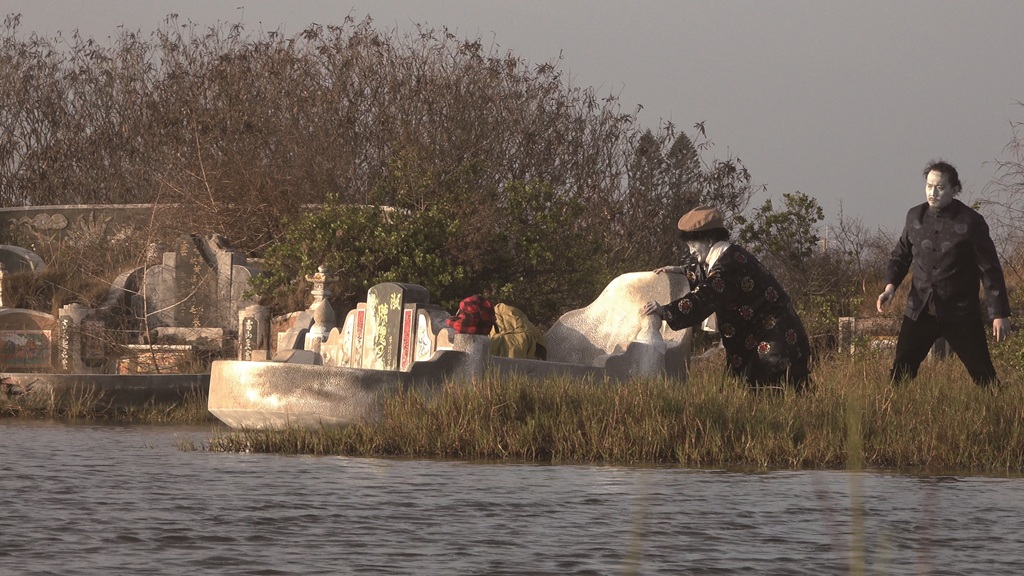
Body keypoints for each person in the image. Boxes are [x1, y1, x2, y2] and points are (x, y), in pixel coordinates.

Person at [642, 205, 811, 389]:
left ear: (708, 239)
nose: (691, 251)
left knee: (770, 393)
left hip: (773, 344)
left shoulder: (728, 266)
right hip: (764, 341)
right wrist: (681, 272)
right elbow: (707, 276)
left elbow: (704, 297)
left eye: (693, 245)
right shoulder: (730, 256)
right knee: (755, 391)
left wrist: (665, 311)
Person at [876, 160, 1011, 386]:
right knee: (901, 371)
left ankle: (999, 405)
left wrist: (999, 313)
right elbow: (900, 256)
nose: (933, 192)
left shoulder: (971, 222)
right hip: (919, 309)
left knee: (984, 375)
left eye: (939, 187)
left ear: (954, 189)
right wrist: (889, 288)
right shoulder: (914, 217)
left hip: (960, 311)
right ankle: (891, 405)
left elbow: (990, 270)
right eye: (929, 186)